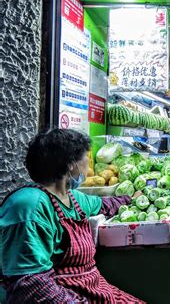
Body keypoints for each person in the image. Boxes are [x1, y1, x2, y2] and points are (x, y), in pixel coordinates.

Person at [0, 128, 144, 303]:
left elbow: (105, 206)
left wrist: (131, 198)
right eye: (87, 158)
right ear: (71, 164)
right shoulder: (29, 207)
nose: (89, 165)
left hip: (93, 291)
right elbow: (30, 282)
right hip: (62, 297)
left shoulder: (72, 197)